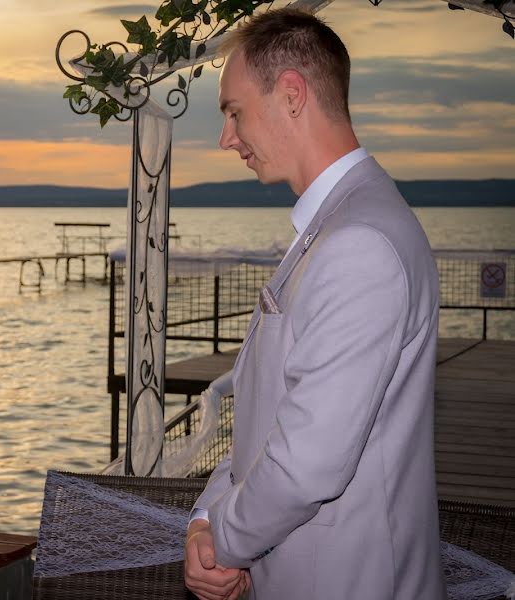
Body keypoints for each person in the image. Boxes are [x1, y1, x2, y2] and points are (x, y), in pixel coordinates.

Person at [184, 9, 446, 600]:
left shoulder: (361, 244)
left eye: (234, 112)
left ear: (293, 95)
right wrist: (203, 518)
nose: (227, 138)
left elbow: (308, 462)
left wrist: (220, 539)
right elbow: (266, 420)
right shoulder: (334, 228)